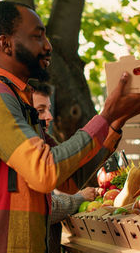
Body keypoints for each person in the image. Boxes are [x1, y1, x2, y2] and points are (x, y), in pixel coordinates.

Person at [0, 1, 140, 253]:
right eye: (37, 36)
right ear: (5, 44)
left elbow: (70, 181)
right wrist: (106, 115)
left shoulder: (19, 101)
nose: (48, 46)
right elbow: (45, 173)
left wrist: (117, 120)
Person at [32, 81, 97, 253]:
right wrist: (79, 198)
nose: (49, 116)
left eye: (48, 109)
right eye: (40, 110)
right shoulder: (25, 153)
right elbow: (47, 208)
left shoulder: (45, 143)